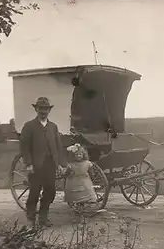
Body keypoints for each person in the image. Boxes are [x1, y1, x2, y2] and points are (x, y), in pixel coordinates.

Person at [19, 97, 67, 227]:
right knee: (34, 191)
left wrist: (61, 164)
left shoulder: (53, 127)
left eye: (46, 109)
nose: (43, 111)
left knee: (50, 191)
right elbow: (25, 146)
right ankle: (31, 216)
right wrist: (28, 163)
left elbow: (58, 146)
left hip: (50, 164)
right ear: (36, 109)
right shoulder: (29, 126)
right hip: (36, 165)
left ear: (49, 110)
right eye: (41, 109)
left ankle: (43, 217)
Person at [62, 143, 102, 208]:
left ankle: (85, 203)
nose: (78, 156)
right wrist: (66, 174)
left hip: (84, 180)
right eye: (76, 155)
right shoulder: (71, 165)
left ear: (83, 155)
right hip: (74, 181)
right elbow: (67, 173)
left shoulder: (87, 163)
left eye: (80, 154)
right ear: (73, 156)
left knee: (87, 190)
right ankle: (78, 204)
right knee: (76, 193)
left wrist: (92, 177)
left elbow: (91, 172)